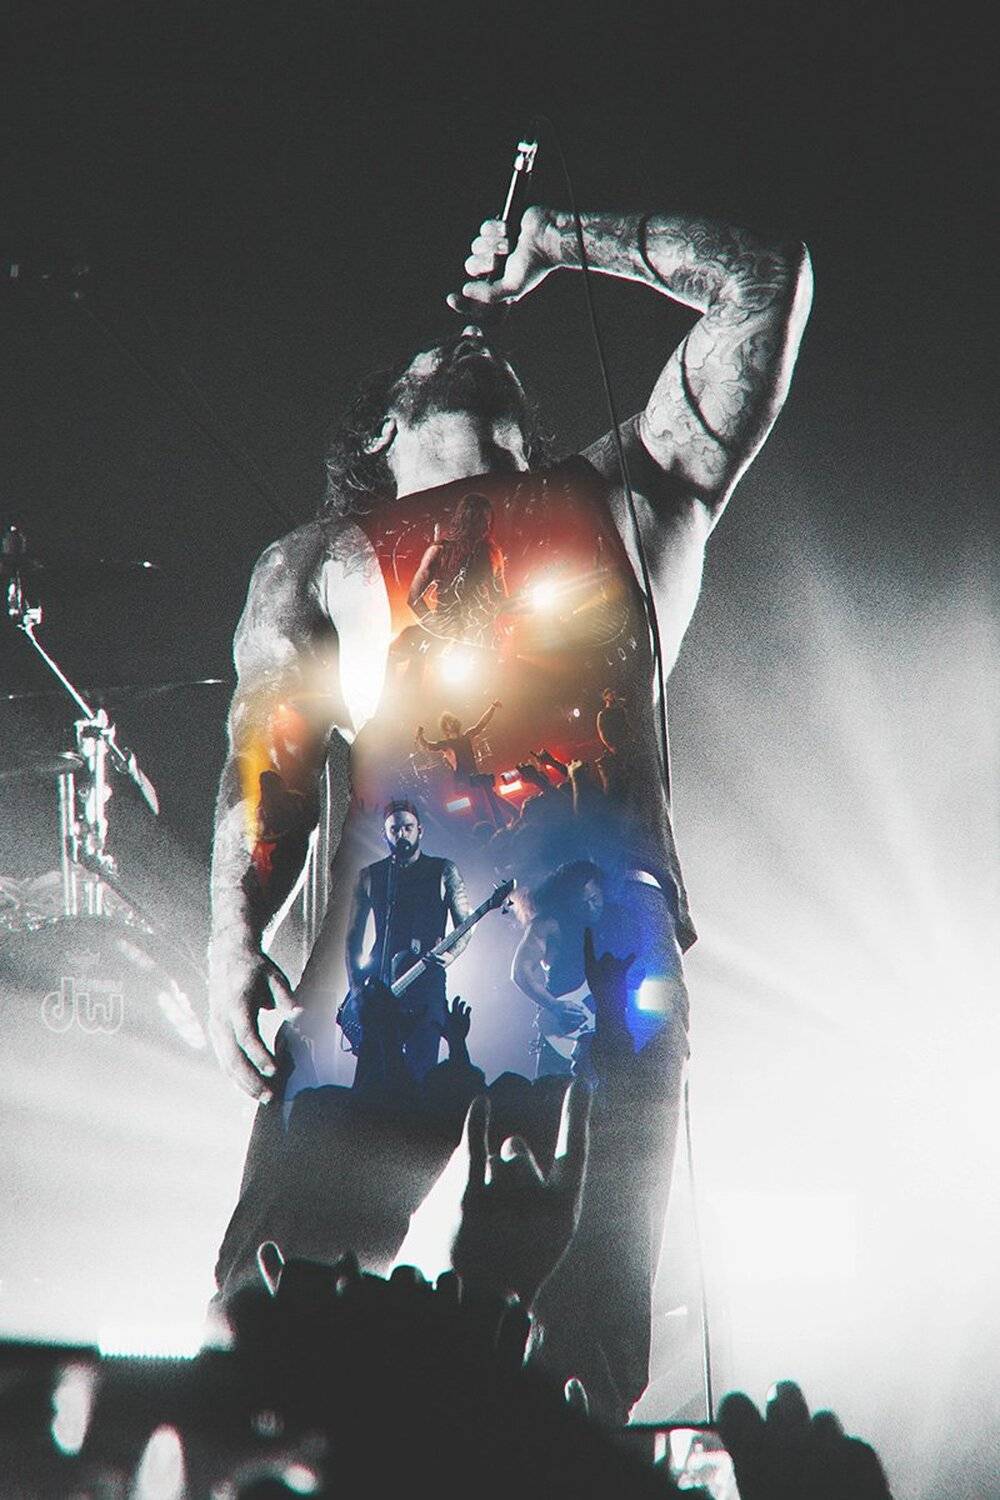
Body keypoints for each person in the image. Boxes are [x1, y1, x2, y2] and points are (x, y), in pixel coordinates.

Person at [207, 194, 811, 1414]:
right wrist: (232, 934)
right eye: (432, 359)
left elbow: (763, 281)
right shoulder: (317, 559)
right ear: (384, 424)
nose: (467, 345)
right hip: (388, 964)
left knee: (569, 1348)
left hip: (595, 957)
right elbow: (270, 753)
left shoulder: (630, 491)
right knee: (278, 1310)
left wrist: (560, 241)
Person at [343, 799, 471, 1081]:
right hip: (379, 983)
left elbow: (466, 926)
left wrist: (450, 956)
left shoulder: (444, 871)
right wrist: (356, 990)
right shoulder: (369, 876)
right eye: (394, 829)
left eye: (407, 828)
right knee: (372, 1074)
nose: (401, 834)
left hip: (425, 981)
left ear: (420, 830)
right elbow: (353, 939)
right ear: (385, 834)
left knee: (422, 1070)